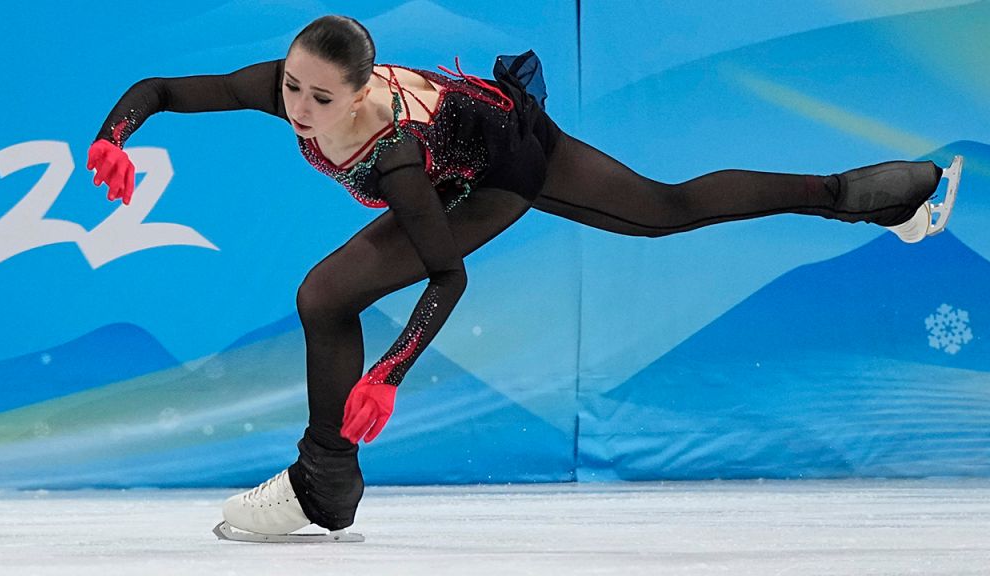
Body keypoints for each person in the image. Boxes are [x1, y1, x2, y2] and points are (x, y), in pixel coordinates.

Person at [87, 14, 961, 538]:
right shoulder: (286, 89)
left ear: (360, 96)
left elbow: (447, 275)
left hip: (501, 168)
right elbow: (160, 87)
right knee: (662, 208)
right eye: (289, 89)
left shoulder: (393, 154)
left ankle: (322, 489)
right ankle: (892, 194)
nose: (298, 111)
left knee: (663, 212)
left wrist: (390, 374)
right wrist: (112, 138)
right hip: (481, 142)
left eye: (318, 99)